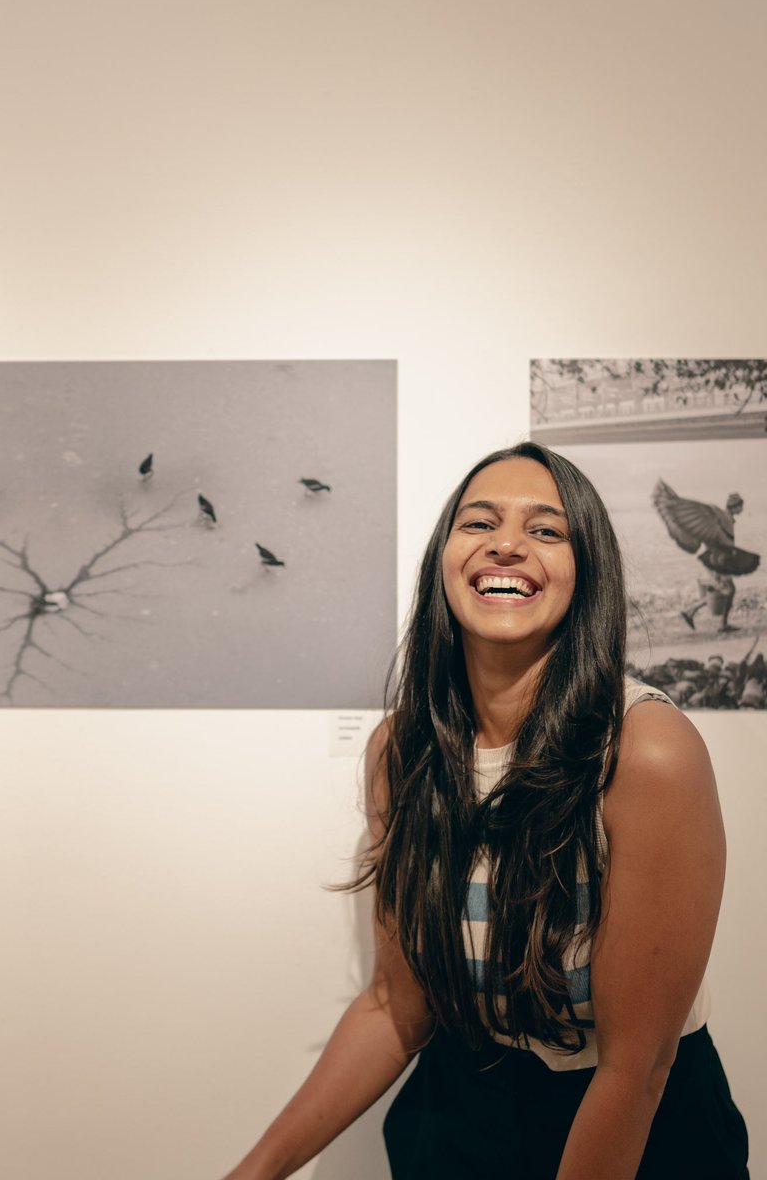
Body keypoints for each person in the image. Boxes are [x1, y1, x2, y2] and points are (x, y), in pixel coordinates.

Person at [221, 442, 748, 1180]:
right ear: (445, 560)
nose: (507, 543)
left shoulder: (646, 749)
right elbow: (394, 1006)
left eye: (546, 530)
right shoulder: (400, 749)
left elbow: (638, 1064)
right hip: (463, 1117)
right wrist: (254, 1171)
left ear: (586, 571)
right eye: (478, 524)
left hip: (638, 1127)